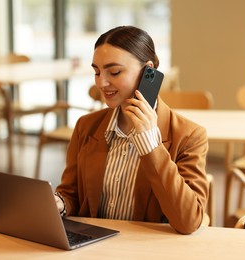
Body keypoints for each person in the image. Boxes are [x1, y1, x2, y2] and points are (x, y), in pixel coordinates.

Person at [54, 25, 209, 234]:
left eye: (114, 72)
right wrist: (60, 203)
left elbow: (189, 220)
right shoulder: (86, 126)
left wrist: (150, 144)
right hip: (93, 247)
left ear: (149, 71)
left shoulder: (189, 136)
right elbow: (71, 193)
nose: (101, 82)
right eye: (97, 72)